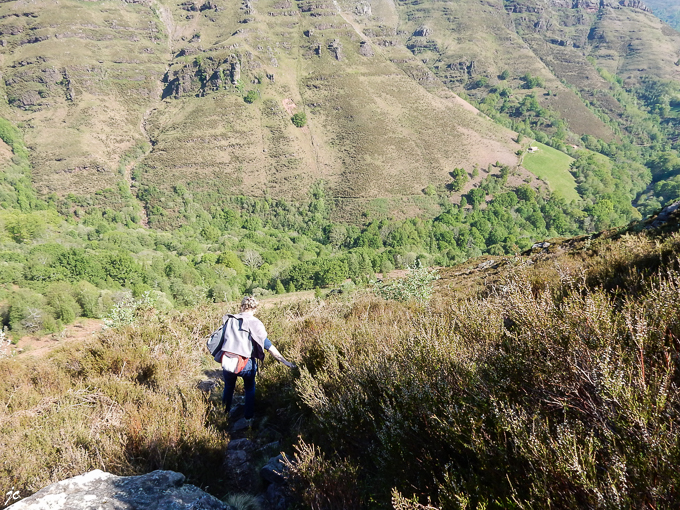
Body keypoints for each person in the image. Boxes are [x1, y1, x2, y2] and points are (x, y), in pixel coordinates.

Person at [217, 295, 295, 424]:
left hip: (229, 361)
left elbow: (219, 339)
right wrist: (284, 361)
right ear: (255, 308)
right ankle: (248, 418)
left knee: (229, 387)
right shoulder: (255, 322)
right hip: (246, 363)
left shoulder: (230, 320)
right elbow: (267, 345)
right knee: (249, 388)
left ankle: (224, 414)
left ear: (241, 306)